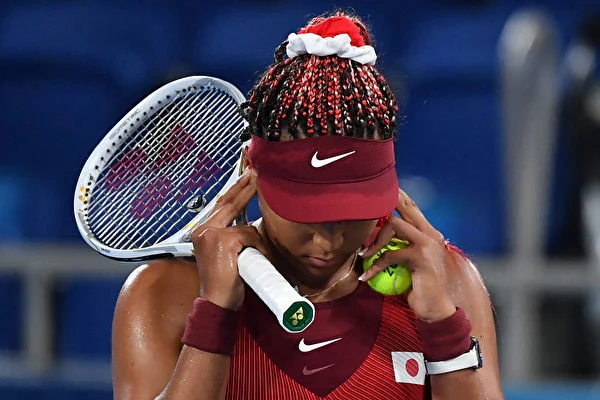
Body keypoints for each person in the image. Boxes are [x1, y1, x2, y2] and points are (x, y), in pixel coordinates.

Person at [112, 11, 505, 400]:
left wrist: (443, 328)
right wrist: (215, 313)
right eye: (305, 215)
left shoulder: (447, 279)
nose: (327, 241)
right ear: (251, 170)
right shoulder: (164, 291)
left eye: (351, 215)